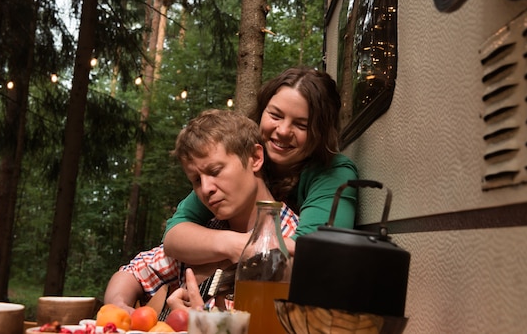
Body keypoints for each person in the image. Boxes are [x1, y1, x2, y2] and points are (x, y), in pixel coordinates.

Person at [103, 109, 298, 314]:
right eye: (196, 180)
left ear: (256, 158)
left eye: (215, 171)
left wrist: (203, 324)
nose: (205, 189)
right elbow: (132, 272)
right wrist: (120, 307)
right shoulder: (203, 235)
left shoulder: (292, 243)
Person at [163, 66, 358, 266]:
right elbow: (175, 234)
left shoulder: (334, 172)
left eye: (301, 125)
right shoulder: (239, 162)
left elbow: (313, 250)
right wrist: (231, 245)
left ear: (322, 133)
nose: (282, 131)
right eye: (275, 115)